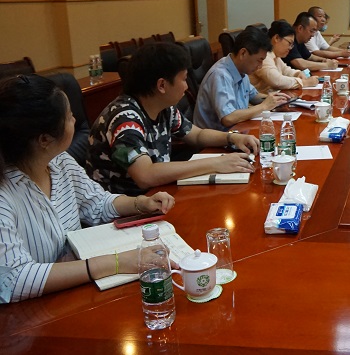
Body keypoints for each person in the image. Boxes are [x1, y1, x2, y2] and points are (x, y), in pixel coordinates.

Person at [0, 74, 175, 303]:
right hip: (36, 309)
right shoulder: (5, 195)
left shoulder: (60, 162)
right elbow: (13, 279)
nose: (75, 120)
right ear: (44, 139)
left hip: (76, 292)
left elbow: (97, 203)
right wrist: (116, 262)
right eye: (69, 116)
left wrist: (140, 203)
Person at [87, 43, 262, 195]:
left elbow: (197, 135)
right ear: (162, 85)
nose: (186, 87)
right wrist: (216, 163)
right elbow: (146, 175)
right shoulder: (125, 120)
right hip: (126, 210)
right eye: (184, 79)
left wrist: (233, 137)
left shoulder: (164, 108)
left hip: (158, 196)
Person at [194, 27, 291, 131]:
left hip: (237, 131)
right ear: (243, 53)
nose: (260, 66)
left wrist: (275, 100)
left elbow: (254, 96)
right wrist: (264, 106)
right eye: (259, 60)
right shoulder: (221, 75)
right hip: (217, 138)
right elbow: (228, 118)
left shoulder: (241, 70)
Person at [250, 20, 319, 92]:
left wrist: (297, 73)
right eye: (289, 43)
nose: (290, 48)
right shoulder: (264, 55)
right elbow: (276, 80)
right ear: (276, 38)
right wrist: (304, 83)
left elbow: (286, 70)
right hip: (262, 97)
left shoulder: (275, 55)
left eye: (292, 45)